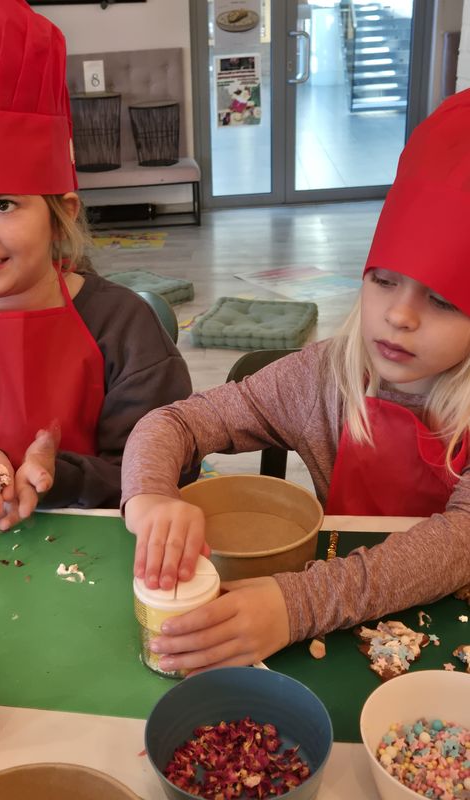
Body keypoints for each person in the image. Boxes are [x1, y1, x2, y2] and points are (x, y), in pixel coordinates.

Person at [121, 87, 470, 674]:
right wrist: (151, 496)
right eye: (384, 280)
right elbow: (175, 421)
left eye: (441, 300)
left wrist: (297, 604)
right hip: (341, 632)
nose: (399, 316)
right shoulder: (323, 378)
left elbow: (460, 544)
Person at [0, 0, 194, 532]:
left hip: (103, 538)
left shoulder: (125, 329)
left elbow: (167, 464)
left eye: (3, 204)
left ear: (59, 215)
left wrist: (60, 476)